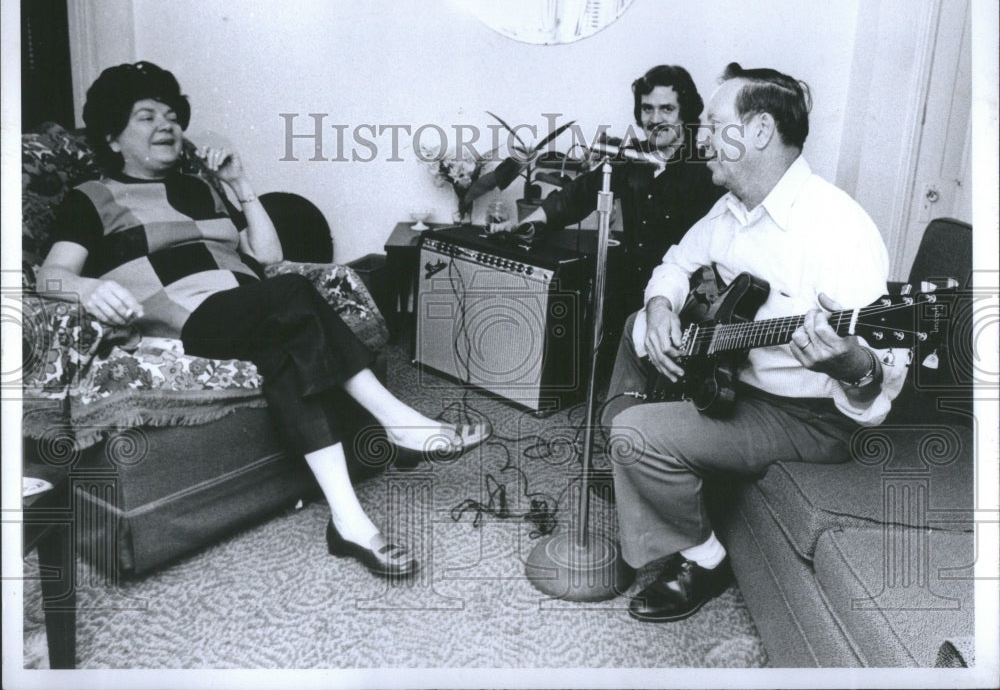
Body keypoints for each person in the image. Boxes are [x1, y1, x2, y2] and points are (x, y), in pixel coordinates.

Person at [36, 62, 490, 580]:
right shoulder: (90, 199)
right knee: (293, 295)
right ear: (113, 137)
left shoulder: (201, 188)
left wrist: (239, 183)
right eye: (146, 117)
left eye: (171, 115)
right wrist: (89, 288)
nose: (166, 126)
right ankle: (401, 423)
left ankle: (350, 524)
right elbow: (51, 276)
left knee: (284, 352)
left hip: (250, 311)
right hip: (187, 322)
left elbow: (268, 255)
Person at [604, 63, 909, 622]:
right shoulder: (729, 212)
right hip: (737, 382)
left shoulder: (838, 229)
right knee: (634, 326)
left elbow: (881, 373)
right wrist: (660, 306)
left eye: (715, 124)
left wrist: (851, 364)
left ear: (761, 131)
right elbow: (674, 264)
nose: (700, 137)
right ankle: (633, 470)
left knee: (632, 434)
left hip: (807, 416)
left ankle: (705, 559)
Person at [508, 65, 724, 313]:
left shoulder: (707, 170)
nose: (654, 120)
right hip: (629, 292)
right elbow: (577, 195)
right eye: (647, 109)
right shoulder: (631, 155)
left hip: (681, 303)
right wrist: (524, 225)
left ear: (685, 113)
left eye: (666, 109)